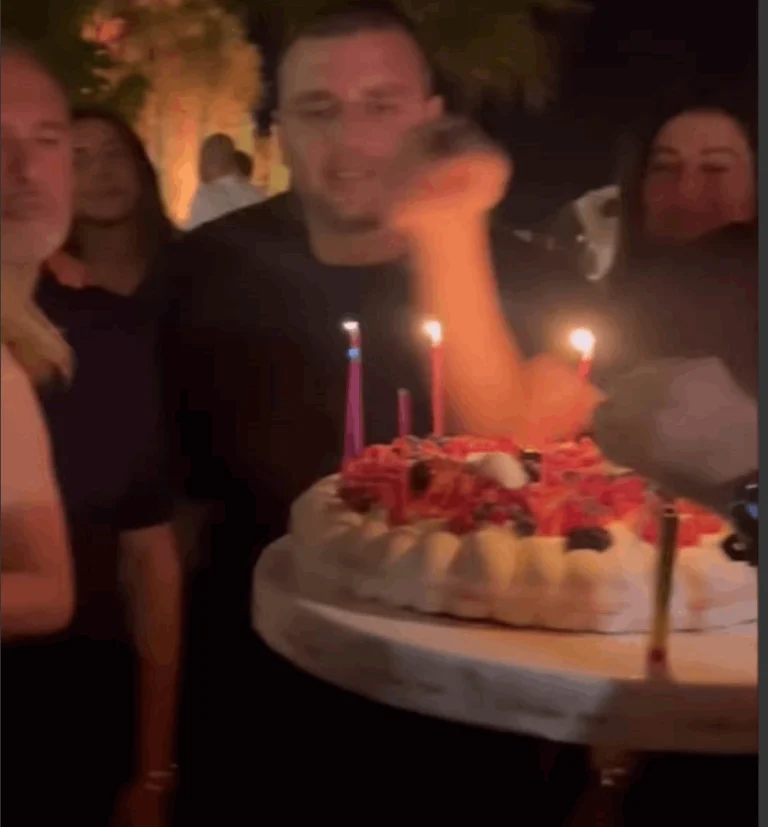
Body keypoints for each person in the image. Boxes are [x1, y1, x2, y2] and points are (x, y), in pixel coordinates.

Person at [163, 4, 588, 823]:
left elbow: (539, 471)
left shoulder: (535, 279)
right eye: (318, 109)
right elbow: (169, 521)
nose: (350, 138)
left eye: (381, 105)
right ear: (281, 130)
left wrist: (449, 234)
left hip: (470, 729)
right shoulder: (201, 273)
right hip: (257, 719)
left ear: (431, 115)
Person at [1, 56, 181, 827]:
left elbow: (149, 556)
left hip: (73, 731)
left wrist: (153, 769)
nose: (21, 168)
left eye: (46, 141)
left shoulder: (108, 333)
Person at [185, 133, 266, 229]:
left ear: (210, 161)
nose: (200, 168)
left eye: (202, 160)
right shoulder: (257, 195)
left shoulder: (206, 196)